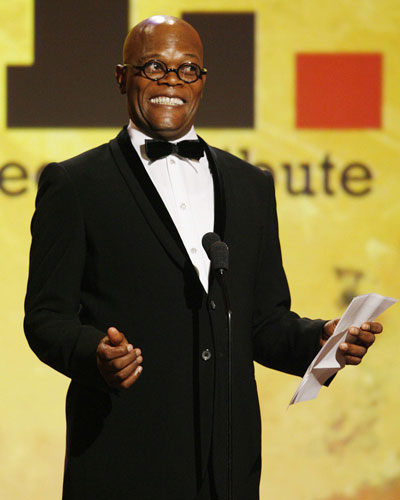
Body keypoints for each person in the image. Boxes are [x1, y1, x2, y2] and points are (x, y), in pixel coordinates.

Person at [24, 15, 382, 500]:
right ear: (121, 76)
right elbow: (46, 317)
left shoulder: (251, 186)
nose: (172, 81)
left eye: (187, 69)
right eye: (154, 66)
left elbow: (262, 323)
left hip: (226, 465)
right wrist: (95, 355)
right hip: (122, 459)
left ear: (203, 81)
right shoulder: (76, 185)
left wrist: (321, 341)